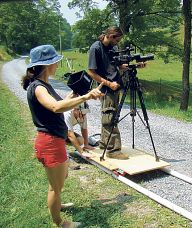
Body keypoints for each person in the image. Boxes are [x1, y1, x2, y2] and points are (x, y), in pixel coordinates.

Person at [22, 44, 103, 227]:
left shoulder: (45, 84)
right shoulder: (38, 87)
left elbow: (60, 103)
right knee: (55, 187)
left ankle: (57, 204)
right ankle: (60, 223)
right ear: (46, 64)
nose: (57, 65)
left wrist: (74, 95)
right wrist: (86, 97)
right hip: (49, 142)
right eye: (55, 62)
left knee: (61, 178)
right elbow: (55, 107)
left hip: (55, 140)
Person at [87, 26, 129, 160]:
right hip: (105, 88)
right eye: (117, 39)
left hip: (116, 87)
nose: (118, 43)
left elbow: (118, 66)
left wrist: (134, 66)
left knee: (110, 116)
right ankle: (113, 150)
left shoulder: (113, 48)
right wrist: (108, 83)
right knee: (110, 118)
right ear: (111, 36)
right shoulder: (96, 48)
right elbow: (91, 72)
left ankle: (104, 143)